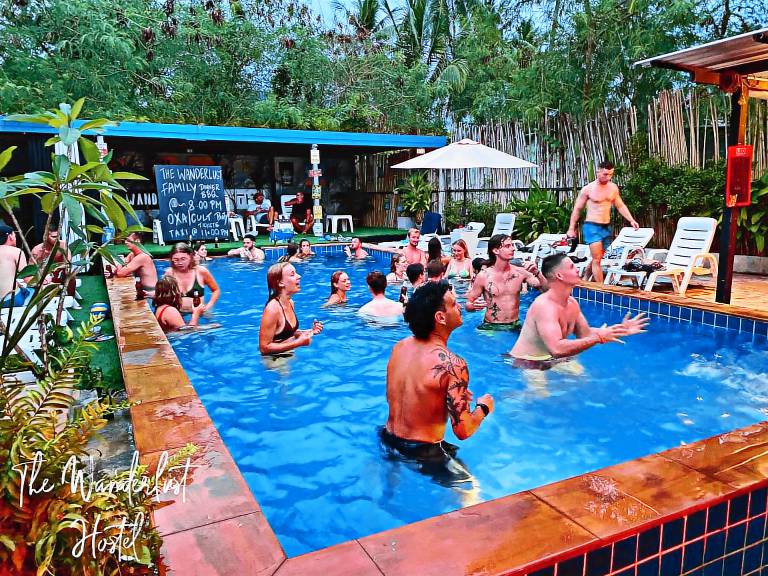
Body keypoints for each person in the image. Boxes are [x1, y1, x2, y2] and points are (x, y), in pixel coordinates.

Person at [382, 281, 494, 473]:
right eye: (454, 304)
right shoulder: (453, 365)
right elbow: (463, 430)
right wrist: (483, 408)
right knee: (474, 489)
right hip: (424, 453)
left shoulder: (399, 347)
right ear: (440, 317)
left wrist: (445, 397)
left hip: (387, 439)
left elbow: (411, 394)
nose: (459, 307)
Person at [511, 252, 649, 368]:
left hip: (553, 358)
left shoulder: (571, 303)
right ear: (559, 276)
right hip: (528, 361)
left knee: (584, 381)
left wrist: (622, 329)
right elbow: (557, 349)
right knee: (543, 391)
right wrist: (599, 338)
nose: (577, 270)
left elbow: (585, 334)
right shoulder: (544, 307)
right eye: (572, 267)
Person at [567, 160, 639, 283]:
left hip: (606, 227)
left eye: (611, 174)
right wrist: (571, 228)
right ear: (598, 172)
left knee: (598, 258)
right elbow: (577, 209)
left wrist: (631, 220)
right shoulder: (588, 189)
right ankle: (601, 288)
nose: (608, 177)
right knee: (597, 259)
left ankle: (585, 278)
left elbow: (620, 205)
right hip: (592, 227)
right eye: (605, 174)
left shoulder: (613, 188)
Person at [465, 234, 547, 331]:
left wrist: (537, 272)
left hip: (514, 325)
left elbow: (545, 289)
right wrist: (473, 306)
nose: (513, 248)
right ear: (496, 251)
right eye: (507, 246)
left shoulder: (520, 272)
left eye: (512, 245)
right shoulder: (483, 276)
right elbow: (468, 304)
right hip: (490, 326)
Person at [259, 262, 323, 354]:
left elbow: (287, 334)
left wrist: (310, 331)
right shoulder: (273, 309)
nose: (299, 276)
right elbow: (264, 348)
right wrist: (298, 343)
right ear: (280, 283)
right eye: (292, 275)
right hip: (274, 360)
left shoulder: (290, 302)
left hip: (287, 355)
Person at [165, 243, 220, 313]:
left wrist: (208, 306)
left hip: (200, 313)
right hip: (178, 313)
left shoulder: (201, 271)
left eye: (183, 259)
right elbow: (163, 294)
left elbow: (216, 290)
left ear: (190, 257)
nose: (180, 263)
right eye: (176, 260)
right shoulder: (169, 273)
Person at [114, 232, 158, 297]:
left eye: (128, 240)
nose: (125, 242)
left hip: (150, 291)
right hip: (141, 289)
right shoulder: (132, 254)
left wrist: (119, 261)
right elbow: (118, 270)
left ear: (137, 241)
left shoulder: (142, 257)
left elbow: (120, 273)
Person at [0, 224, 29, 307]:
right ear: (10, 236)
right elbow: (27, 278)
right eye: (15, 236)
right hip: (9, 300)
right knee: (31, 291)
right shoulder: (16, 252)